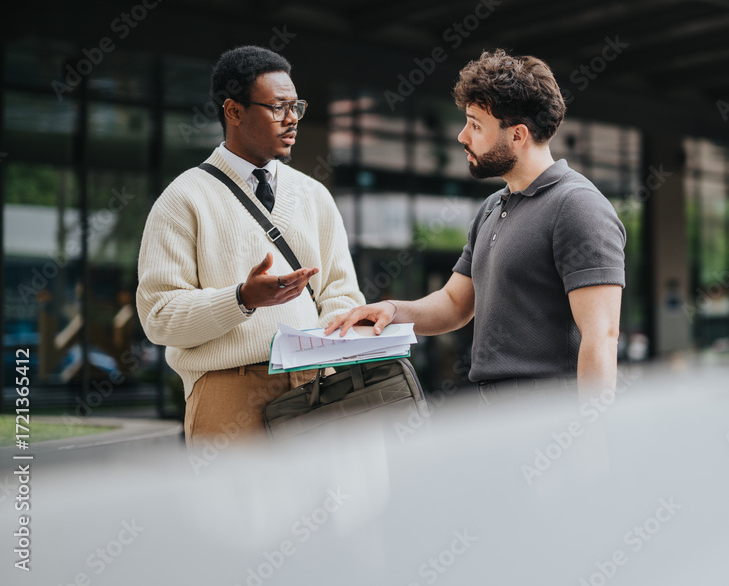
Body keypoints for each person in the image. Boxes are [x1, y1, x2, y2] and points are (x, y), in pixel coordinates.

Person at [327, 49, 625, 403]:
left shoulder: (577, 206)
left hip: (548, 413)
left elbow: (601, 336)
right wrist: (393, 310)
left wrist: (586, 435)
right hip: (493, 408)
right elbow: (454, 304)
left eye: (476, 125)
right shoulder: (491, 207)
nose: (462, 136)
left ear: (518, 135)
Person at [137, 46, 364, 445]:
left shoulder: (314, 196)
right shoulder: (183, 199)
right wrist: (241, 299)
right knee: (234, 509)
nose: (292, 118)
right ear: (234, 111)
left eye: (296, 106)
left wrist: (329, 344)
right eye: (278, 107)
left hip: (318, 388)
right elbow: (159, 316)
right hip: (230, 392)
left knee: (327, 507)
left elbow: (341, 293)